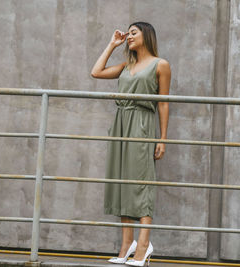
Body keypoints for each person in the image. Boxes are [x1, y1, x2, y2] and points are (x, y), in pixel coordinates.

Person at [91, 22, 171, 267]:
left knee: (141, 183)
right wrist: (112, 44)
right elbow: (96, 72)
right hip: (121, 125)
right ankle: (127, 245)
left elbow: (164, 103)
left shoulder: (161, 65)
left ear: (147, 35)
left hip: (142, 126)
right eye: (128, 34)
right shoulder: (127, 65)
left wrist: (163, 138)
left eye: (133, 33)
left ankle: (144, 245)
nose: (128, 37)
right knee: (122, 182)